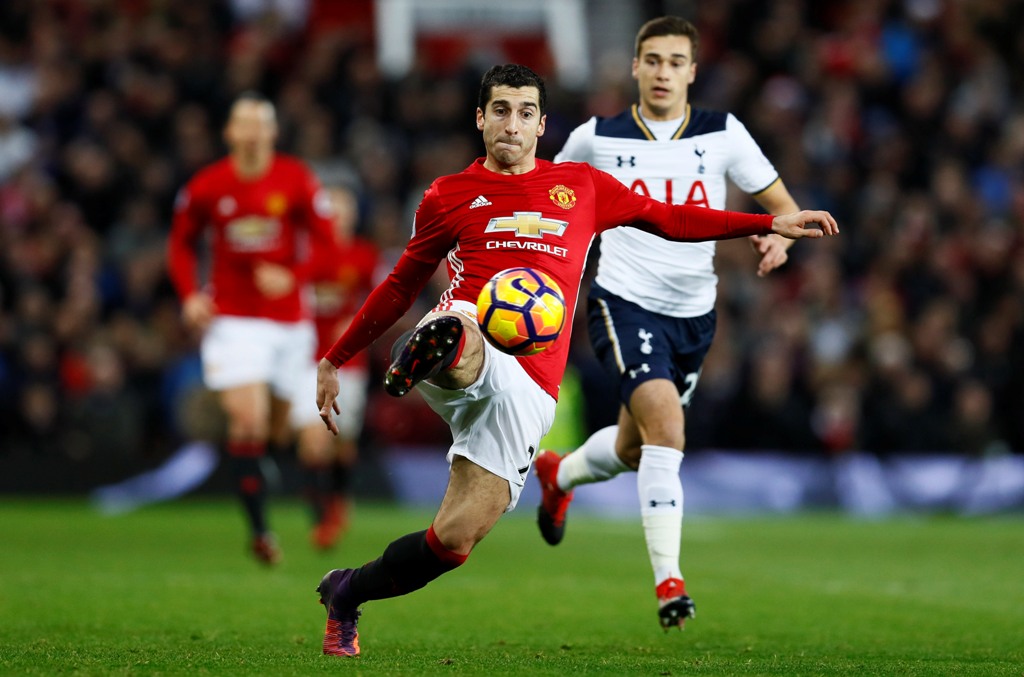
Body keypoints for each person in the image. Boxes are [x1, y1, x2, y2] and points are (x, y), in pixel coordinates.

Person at [313, 63, 837, 657]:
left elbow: (672, 219)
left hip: (530, 384)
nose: (512, 123)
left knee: (453, 541)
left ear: (541, 125)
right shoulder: (447, 194)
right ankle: (436, 354)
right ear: (481, 119)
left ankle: (346, 593)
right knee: (461, 330)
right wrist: (336, 357)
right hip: (468, 330)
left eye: (526, 112)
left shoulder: (581, 186)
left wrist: (768, 220)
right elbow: (402, 282)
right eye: (501, 110)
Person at [534, 15, 806, 631]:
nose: (662, 72)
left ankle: (561, 472)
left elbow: (781, 208)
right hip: (622, 300)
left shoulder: (723, 134)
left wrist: (779, 243)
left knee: (637, 447)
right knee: (669, 430)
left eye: (675, 61)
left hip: (694, 314)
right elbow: (545, 201)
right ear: (635, 67)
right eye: (652, 60)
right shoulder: (594, 138)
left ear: (692, 70)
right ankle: (669, 584)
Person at [167, 92, 337, 565]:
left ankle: (257, 463)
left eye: (260, 124)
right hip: (233, 321)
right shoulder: (207, 185)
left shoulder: (296, 179)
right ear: (230, 133)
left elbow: (328, 246)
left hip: (289, 323)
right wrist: (189, 296)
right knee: (247, 418)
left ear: (272, 132)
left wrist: (294, 276)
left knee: (278, 429)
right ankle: (262, 532)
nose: (252, 132)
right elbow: (180, 244)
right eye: (243, 123)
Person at [290, 184, 380, 550]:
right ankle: (322, 520)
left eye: (342, 211)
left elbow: (381, 303)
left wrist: (357, 322)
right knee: (312, 442)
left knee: (341, 443)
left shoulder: (364, 256)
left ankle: (339, 502)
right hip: (303, 358)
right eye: (329, 212)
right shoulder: (303, 253)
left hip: (347, 362)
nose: (336, 218)